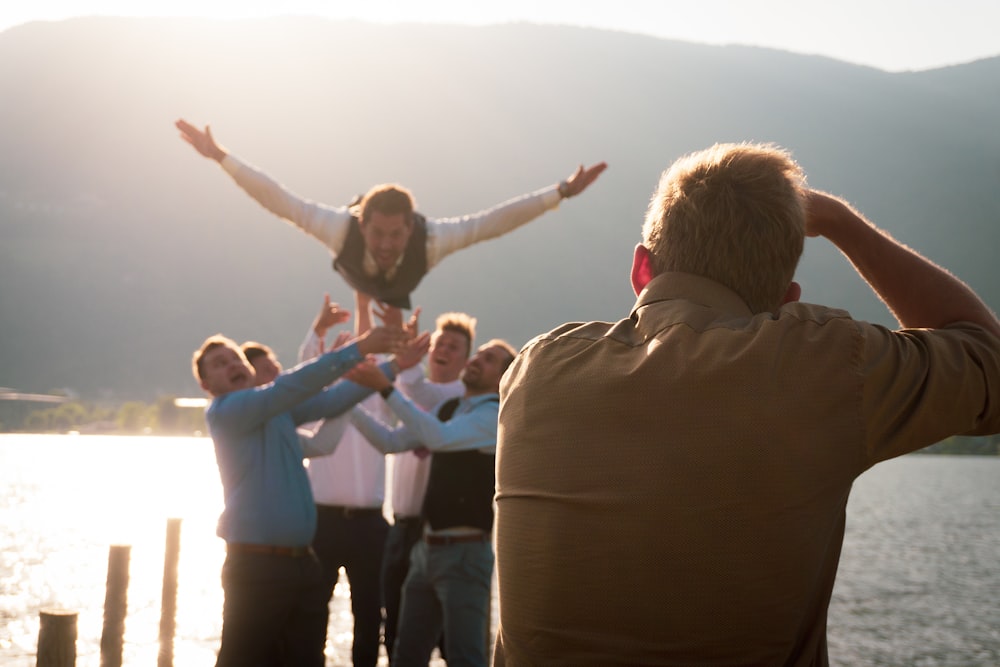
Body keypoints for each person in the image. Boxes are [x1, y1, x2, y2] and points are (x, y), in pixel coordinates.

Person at [492, 142, 1000, 666]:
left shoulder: (535, 371)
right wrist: (843, 222)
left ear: (642, 269)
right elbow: (990, 364)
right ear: (787, 298)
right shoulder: (819, 365)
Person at [175, 119, 607, 308]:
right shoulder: (338, 228)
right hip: (357, 277)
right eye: (376, 233)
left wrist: (562, 192)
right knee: (355, 278)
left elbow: (494, 221)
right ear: (361, 224)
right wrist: (221, 158)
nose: (384, 244)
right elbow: (278, 199)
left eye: (395, 235)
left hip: (401, 288)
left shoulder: (433, 239)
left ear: (410, 228)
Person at [192, 325, 406, 667]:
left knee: (306, 660)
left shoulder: (277, 412)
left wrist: (394, 367)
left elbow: (335, 400)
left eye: (235, 358)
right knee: (242, 659)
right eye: (219, 363)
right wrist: (357, 347)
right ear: (206, 385)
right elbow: (291, 386)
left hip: (302, 565)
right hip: (256, 566)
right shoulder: (226, 412)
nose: (231, 364)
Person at [350, 339, 517, 667]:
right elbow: (390, 441)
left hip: (465, 556)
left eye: (489, 360)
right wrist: (348, 404)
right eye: (479, 354)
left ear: (502, 379)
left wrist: (386, 389)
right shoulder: (449, 410)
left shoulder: (493, 416)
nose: (477, 360)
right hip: (425, 552)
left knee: (465, 658)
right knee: (406, 657)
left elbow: (439, 437)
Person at [296, 291, 395, 667]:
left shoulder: (379, 399)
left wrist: (365, 306)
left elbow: (379, 357)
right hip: (322, 520)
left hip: (370, 524)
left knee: (370, 614)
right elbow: (307, 366)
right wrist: (318, 330)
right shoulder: (317, 401)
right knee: (312, 609)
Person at [383, 310, 475, 663]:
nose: (444, 351)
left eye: (454, 347)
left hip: (432, 532)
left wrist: (404, 364)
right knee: (395, 630)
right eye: (440, 344)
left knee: (450, 641)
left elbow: (415, 388)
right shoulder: (416, 393)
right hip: (400, 527)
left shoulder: (459, 398)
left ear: (466, 360)